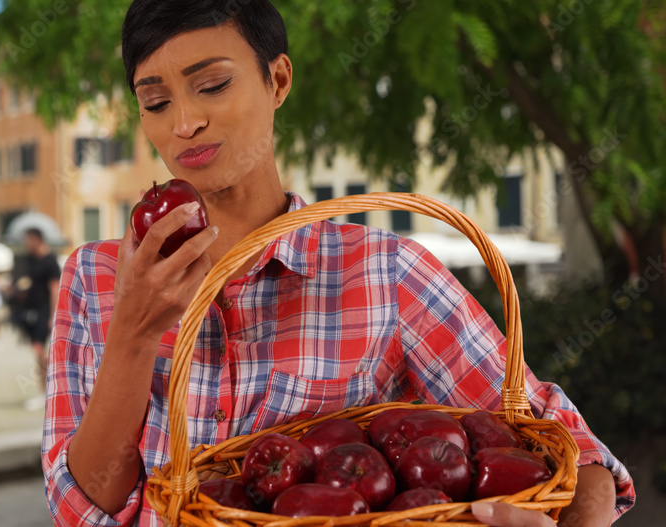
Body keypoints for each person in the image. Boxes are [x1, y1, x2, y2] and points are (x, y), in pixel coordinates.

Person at [41, 2, 635, 527]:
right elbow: (82, 508)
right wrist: (134, 335)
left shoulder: (389, 274)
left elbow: (575, 452)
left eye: (213, 85)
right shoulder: (95, 277)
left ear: (277, 80)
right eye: (156, 101)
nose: (183, 124)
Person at [13, 228, 61, 410]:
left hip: (45, 312)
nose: (26, 244)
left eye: (28, 240)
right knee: (39, 353)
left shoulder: (50, 261)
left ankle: (47, 392)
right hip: (33, 312)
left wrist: (53, 315)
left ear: (36, 239)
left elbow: (54, 289)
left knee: (42, 354)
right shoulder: (32, 261)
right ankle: (46, 391)